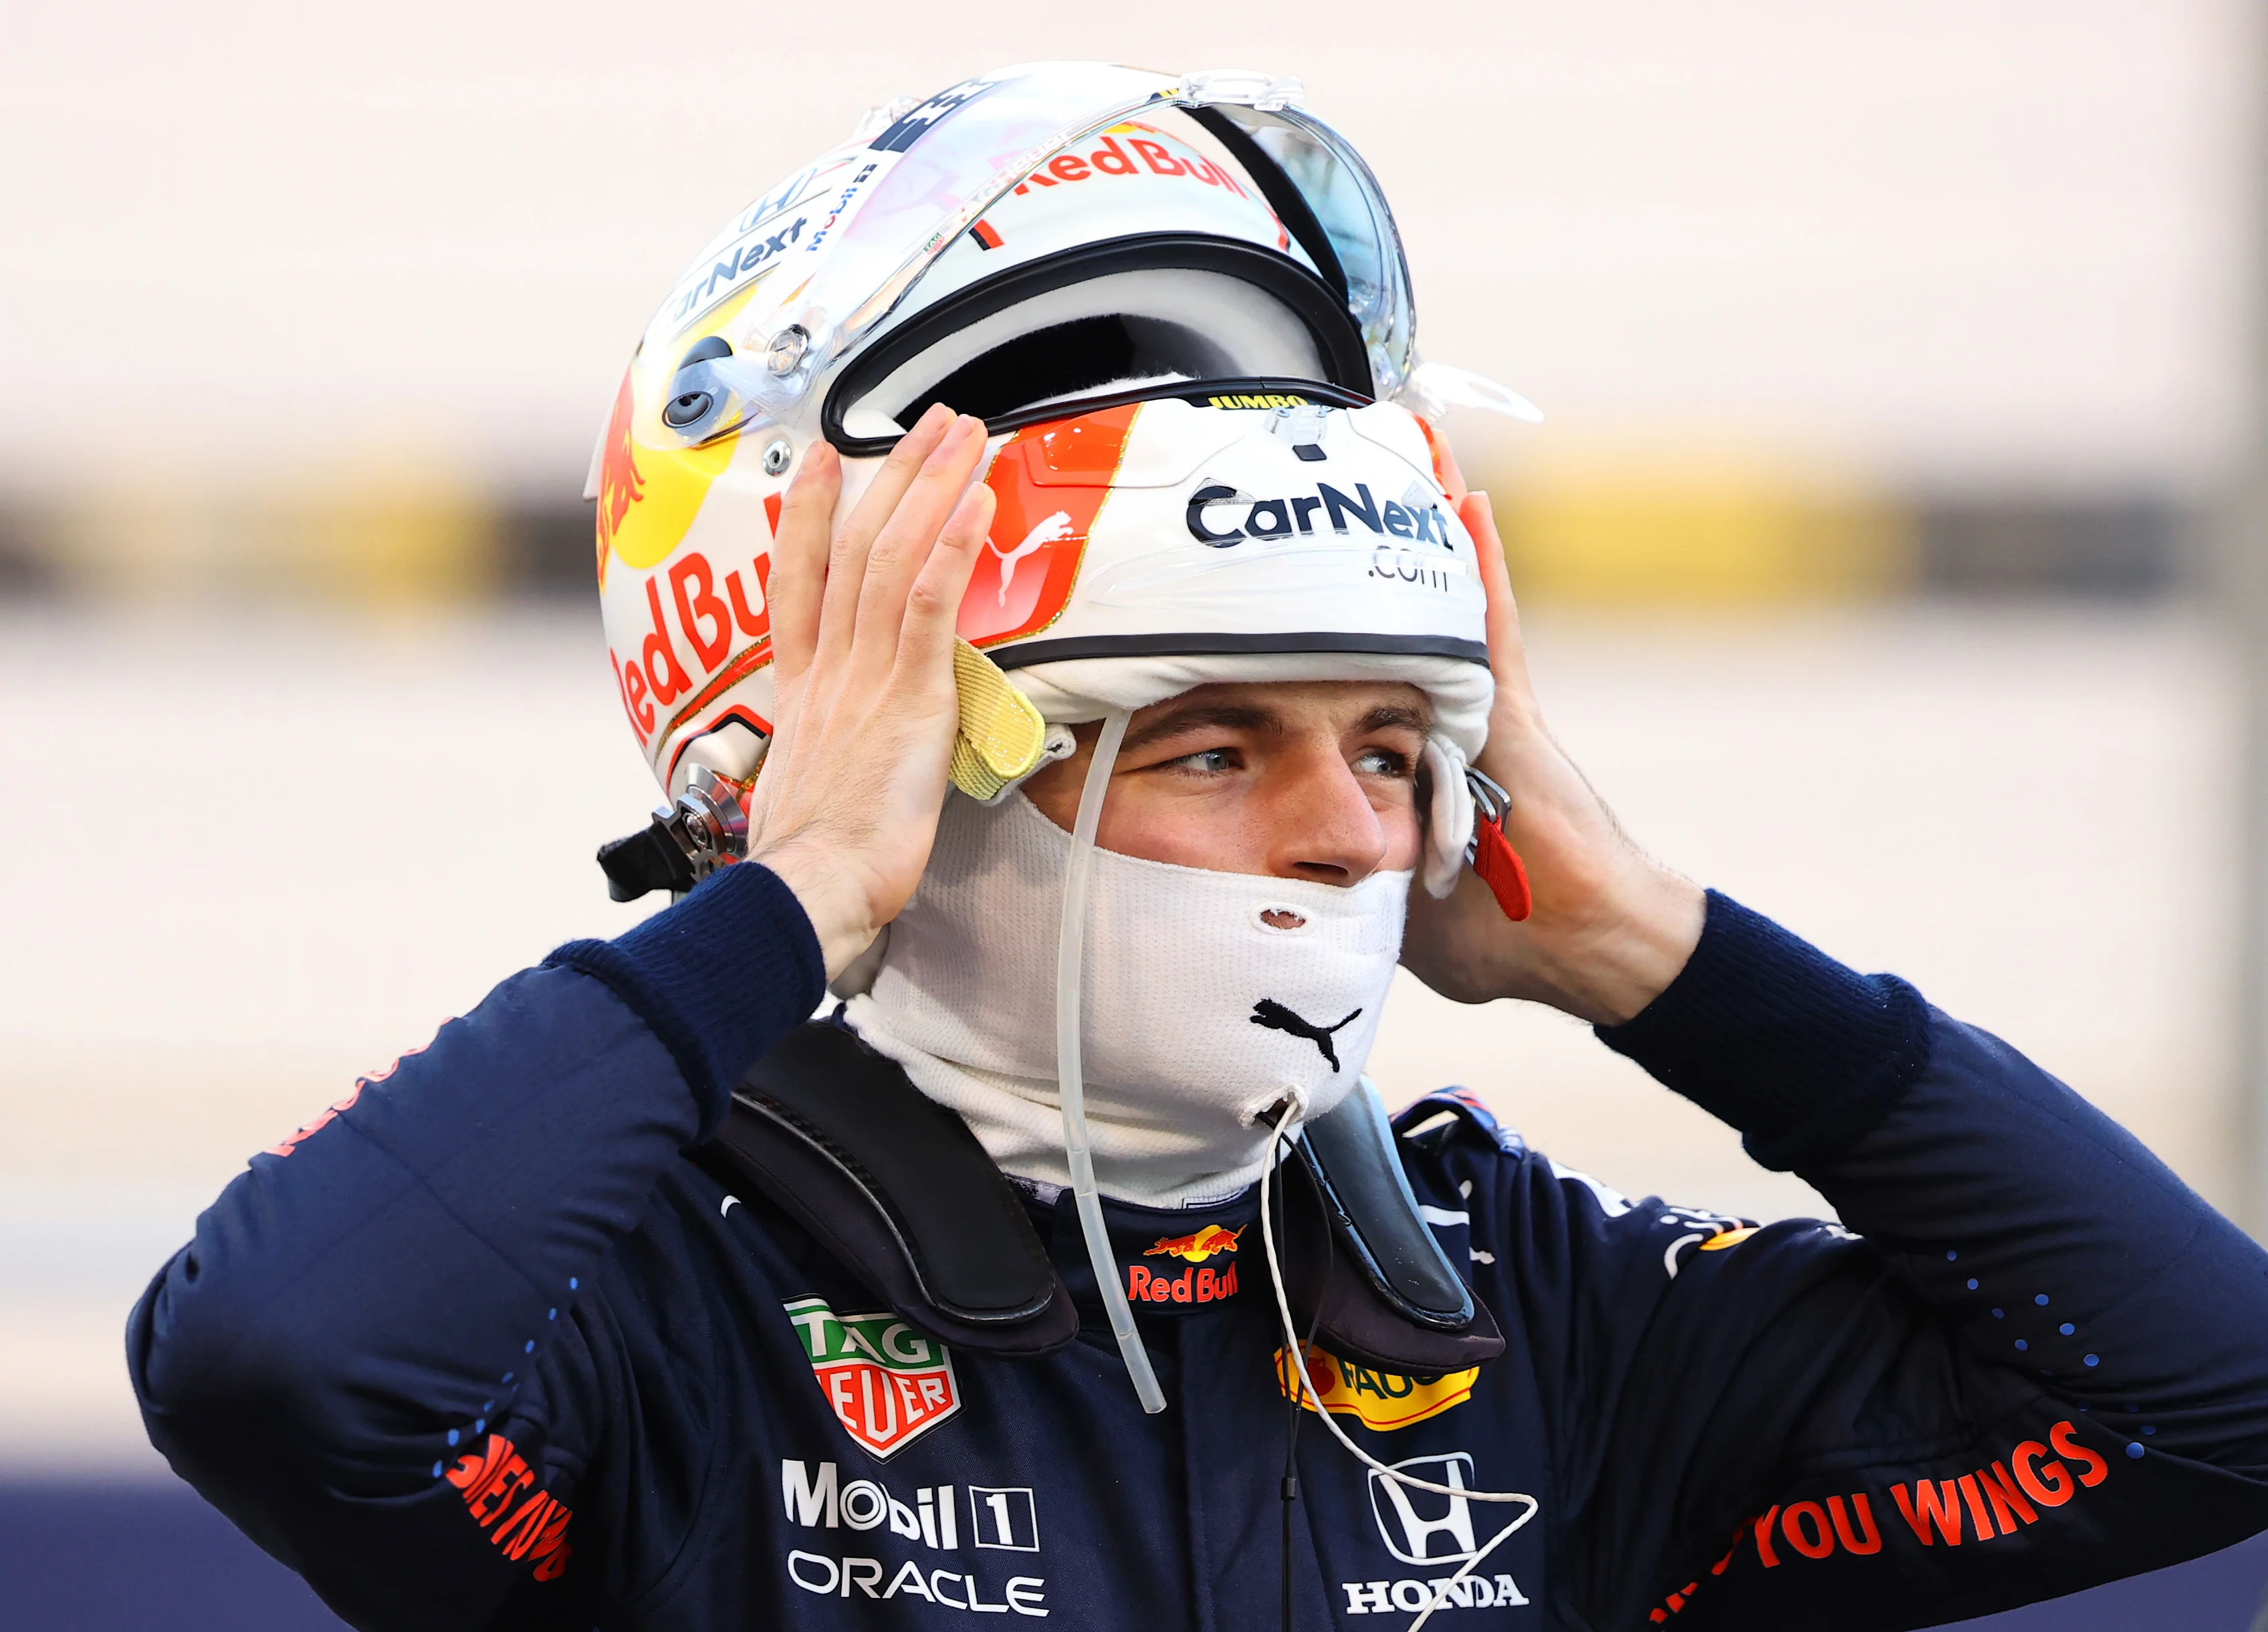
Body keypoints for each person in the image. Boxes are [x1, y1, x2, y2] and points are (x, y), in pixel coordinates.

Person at [131, 64, 2268, 1632]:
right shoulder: (650, 1309)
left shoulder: (1527, 1317)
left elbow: (2219, 1402)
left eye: (1396, 742)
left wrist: (1652, 949)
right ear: (902, 773)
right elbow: (273, 1367)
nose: (1354, 835)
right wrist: (784, 904)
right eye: (1212, 746)